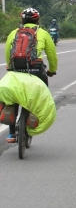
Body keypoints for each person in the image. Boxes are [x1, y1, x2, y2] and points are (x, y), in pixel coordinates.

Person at [4, 8, 58, 143]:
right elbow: (52, 55)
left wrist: (10, 67)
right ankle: (33, 117)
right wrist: (52, 70)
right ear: (38, 20)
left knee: (12, 98)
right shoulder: (43, 33)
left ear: (22, 20)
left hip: (16, 71)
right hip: (36, 71)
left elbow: (8, 53)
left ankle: (11, 133)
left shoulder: (14, 33)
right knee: (41, 95)